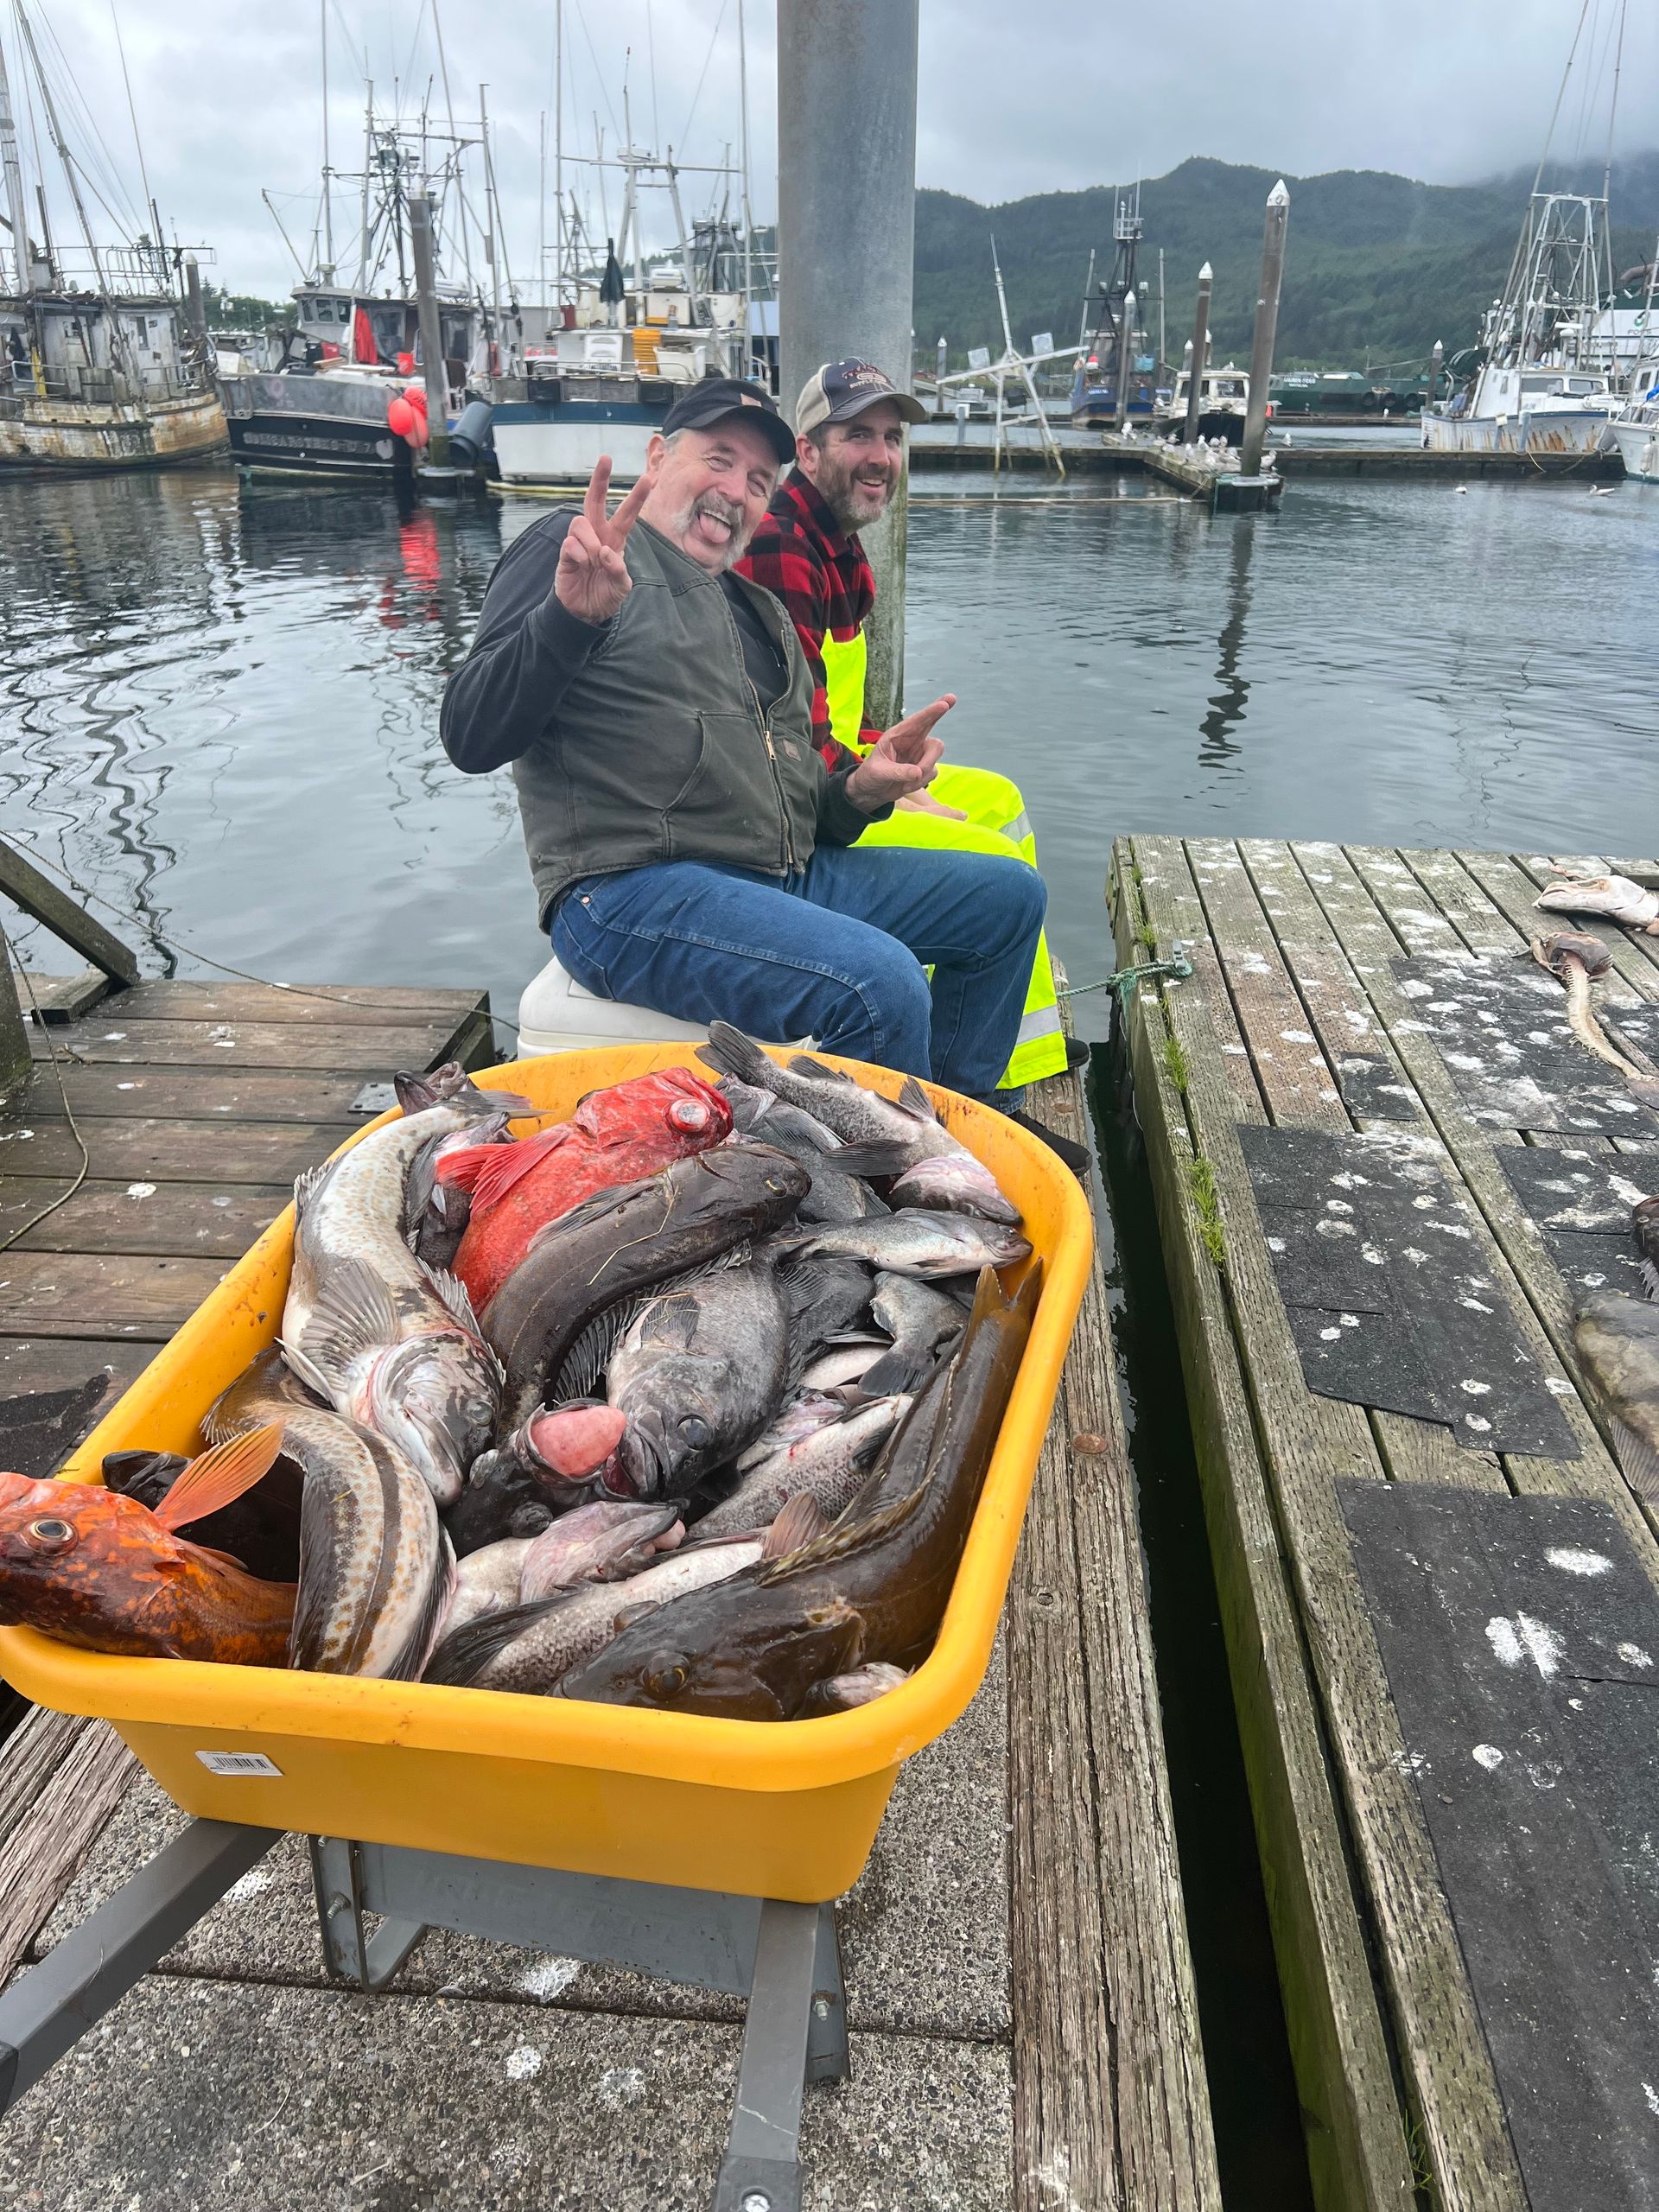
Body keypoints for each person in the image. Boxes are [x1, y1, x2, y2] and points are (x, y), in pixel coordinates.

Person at [440, 378, 1080, 1160]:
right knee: (878, 984)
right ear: (657, 456)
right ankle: (887, 1202)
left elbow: (804, 808)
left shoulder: (759, 612)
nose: (735, 491)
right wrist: (567, 621)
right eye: (719, 459)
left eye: (758, 480)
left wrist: (863, 791)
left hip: (772, 875)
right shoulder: (575, 548)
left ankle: (945, 1135)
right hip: (624, 892)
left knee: (1008, 902)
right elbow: (470, 738)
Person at [736, 358, 1076, 1091]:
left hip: (836, 763)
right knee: (997, 864)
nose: (882, 456)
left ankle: (1021, 1051)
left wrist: (884, 757)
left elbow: (828, 704)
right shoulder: (781, 545)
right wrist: (880, 787)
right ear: (806, 450)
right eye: (859, 434)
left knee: (1002, 799)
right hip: (807, 801)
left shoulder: (834, 538)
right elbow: (782, 726)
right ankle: (970, 1089)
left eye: (891, 437)